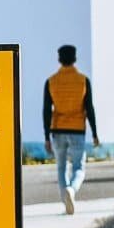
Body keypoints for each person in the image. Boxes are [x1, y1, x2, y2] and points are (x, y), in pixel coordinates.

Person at [43, 45, 100, 215]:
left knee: (61, 167)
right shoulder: (83, 80)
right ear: (74, 59)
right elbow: (89, 108)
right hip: (77, 130)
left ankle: (65, 199)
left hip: (58, 129)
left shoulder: (51, 81)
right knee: (79, 168)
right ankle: (72, 190)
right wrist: (95, 133)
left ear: (59, 59)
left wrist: (46, 136)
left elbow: (46, 110)